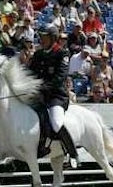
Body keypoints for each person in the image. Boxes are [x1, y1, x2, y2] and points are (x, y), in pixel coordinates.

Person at [28, 24, 78, 168]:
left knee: (56, 124)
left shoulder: (62, 54)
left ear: (53, 38)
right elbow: (31, 74)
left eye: (44, 37)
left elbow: (59, 78)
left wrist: (41, 87)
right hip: (40, 96)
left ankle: (73, 154)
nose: (41, 40)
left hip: (56, 96)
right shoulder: (38, 55)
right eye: (41, 37)